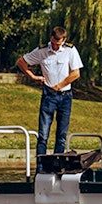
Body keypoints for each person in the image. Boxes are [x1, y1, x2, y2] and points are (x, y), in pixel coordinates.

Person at [17, 26, 84, 169]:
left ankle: (56, 166)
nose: (54, 46)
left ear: (64, 40)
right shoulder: (42, 51)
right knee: (43, 134)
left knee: (61, 135)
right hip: (48, 96)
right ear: (50, 39)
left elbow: (76, 73)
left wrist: (59, 85)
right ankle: (40, 167)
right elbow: (21, 62)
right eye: (53, 43)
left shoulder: (70, 51)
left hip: (65, 96)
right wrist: (33, 76)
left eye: (57, 44)